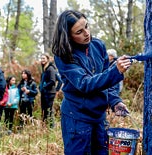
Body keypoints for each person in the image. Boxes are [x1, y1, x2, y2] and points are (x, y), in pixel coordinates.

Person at [51, 10, 132, 154]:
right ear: (68, 35)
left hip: (99, 117)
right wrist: (115, 71)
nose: (86, 33)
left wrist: (114, 101)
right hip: (77, 117)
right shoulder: (63, 55)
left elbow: (107, 81)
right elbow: (84, 83)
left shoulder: (98, 46)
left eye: (86, 26)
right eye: (79, 32)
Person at [39, 53, 58, 128]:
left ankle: (51, 127)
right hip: (44, 93)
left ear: (47, 59)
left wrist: (44, 86)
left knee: (49, 110)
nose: (42, 60)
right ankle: (45, 127)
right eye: (41, 58)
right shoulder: (44, 69)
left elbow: (52, 81)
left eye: (43, 58)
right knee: (44, 110)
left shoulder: (50, 69)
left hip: (49, 93)